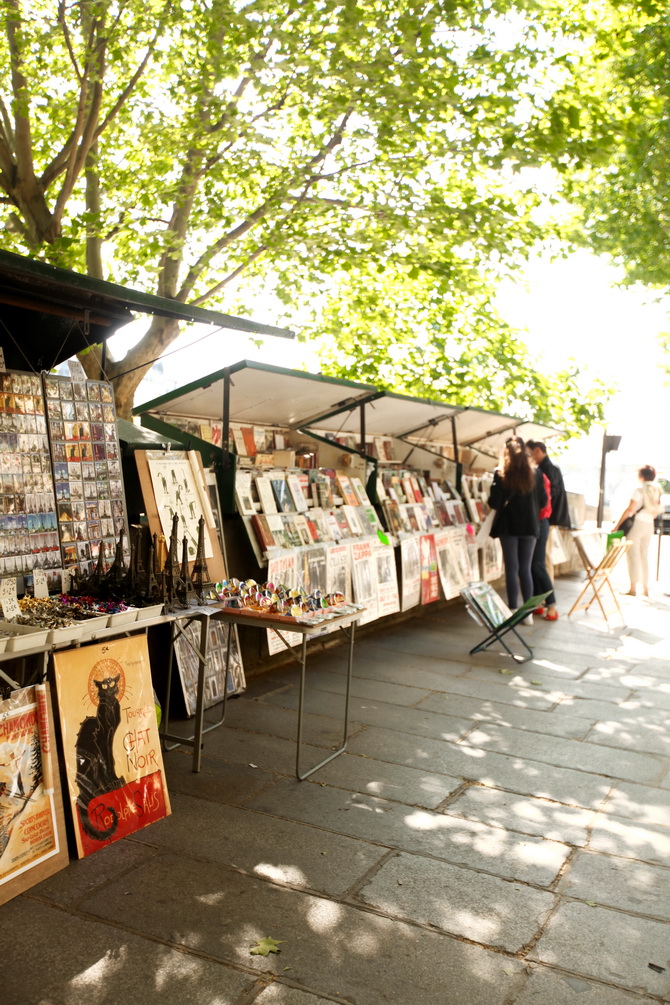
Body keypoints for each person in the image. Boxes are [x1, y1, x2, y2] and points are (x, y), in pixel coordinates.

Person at [489, 436, 547, 616]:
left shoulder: (501, 473)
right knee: (525, 568)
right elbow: (544, 501)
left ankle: (513, 608)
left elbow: (495, 502)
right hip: (530, 527)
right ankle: (528, 612)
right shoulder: (536, 474)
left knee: (512, 569)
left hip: (508, 527)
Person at [527, 440, 572, 620]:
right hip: (545, 521)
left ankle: (550, 604)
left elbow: (546, 499)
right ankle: (540, 602)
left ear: (538, 451)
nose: (529, 457)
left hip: (543, 521)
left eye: (530, 453)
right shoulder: (550, 468)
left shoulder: (544, 471)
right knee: (536, 564)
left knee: (540, 563)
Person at [613, 465, 662, 597]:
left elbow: (630, 509)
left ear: (642, 476)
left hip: (638, 523)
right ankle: (645, 589)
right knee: (644, 555)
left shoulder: (639, 490)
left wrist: (617, 525)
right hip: (649, 524)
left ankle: (633, 588)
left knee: (633, 555)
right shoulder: (656, 489)